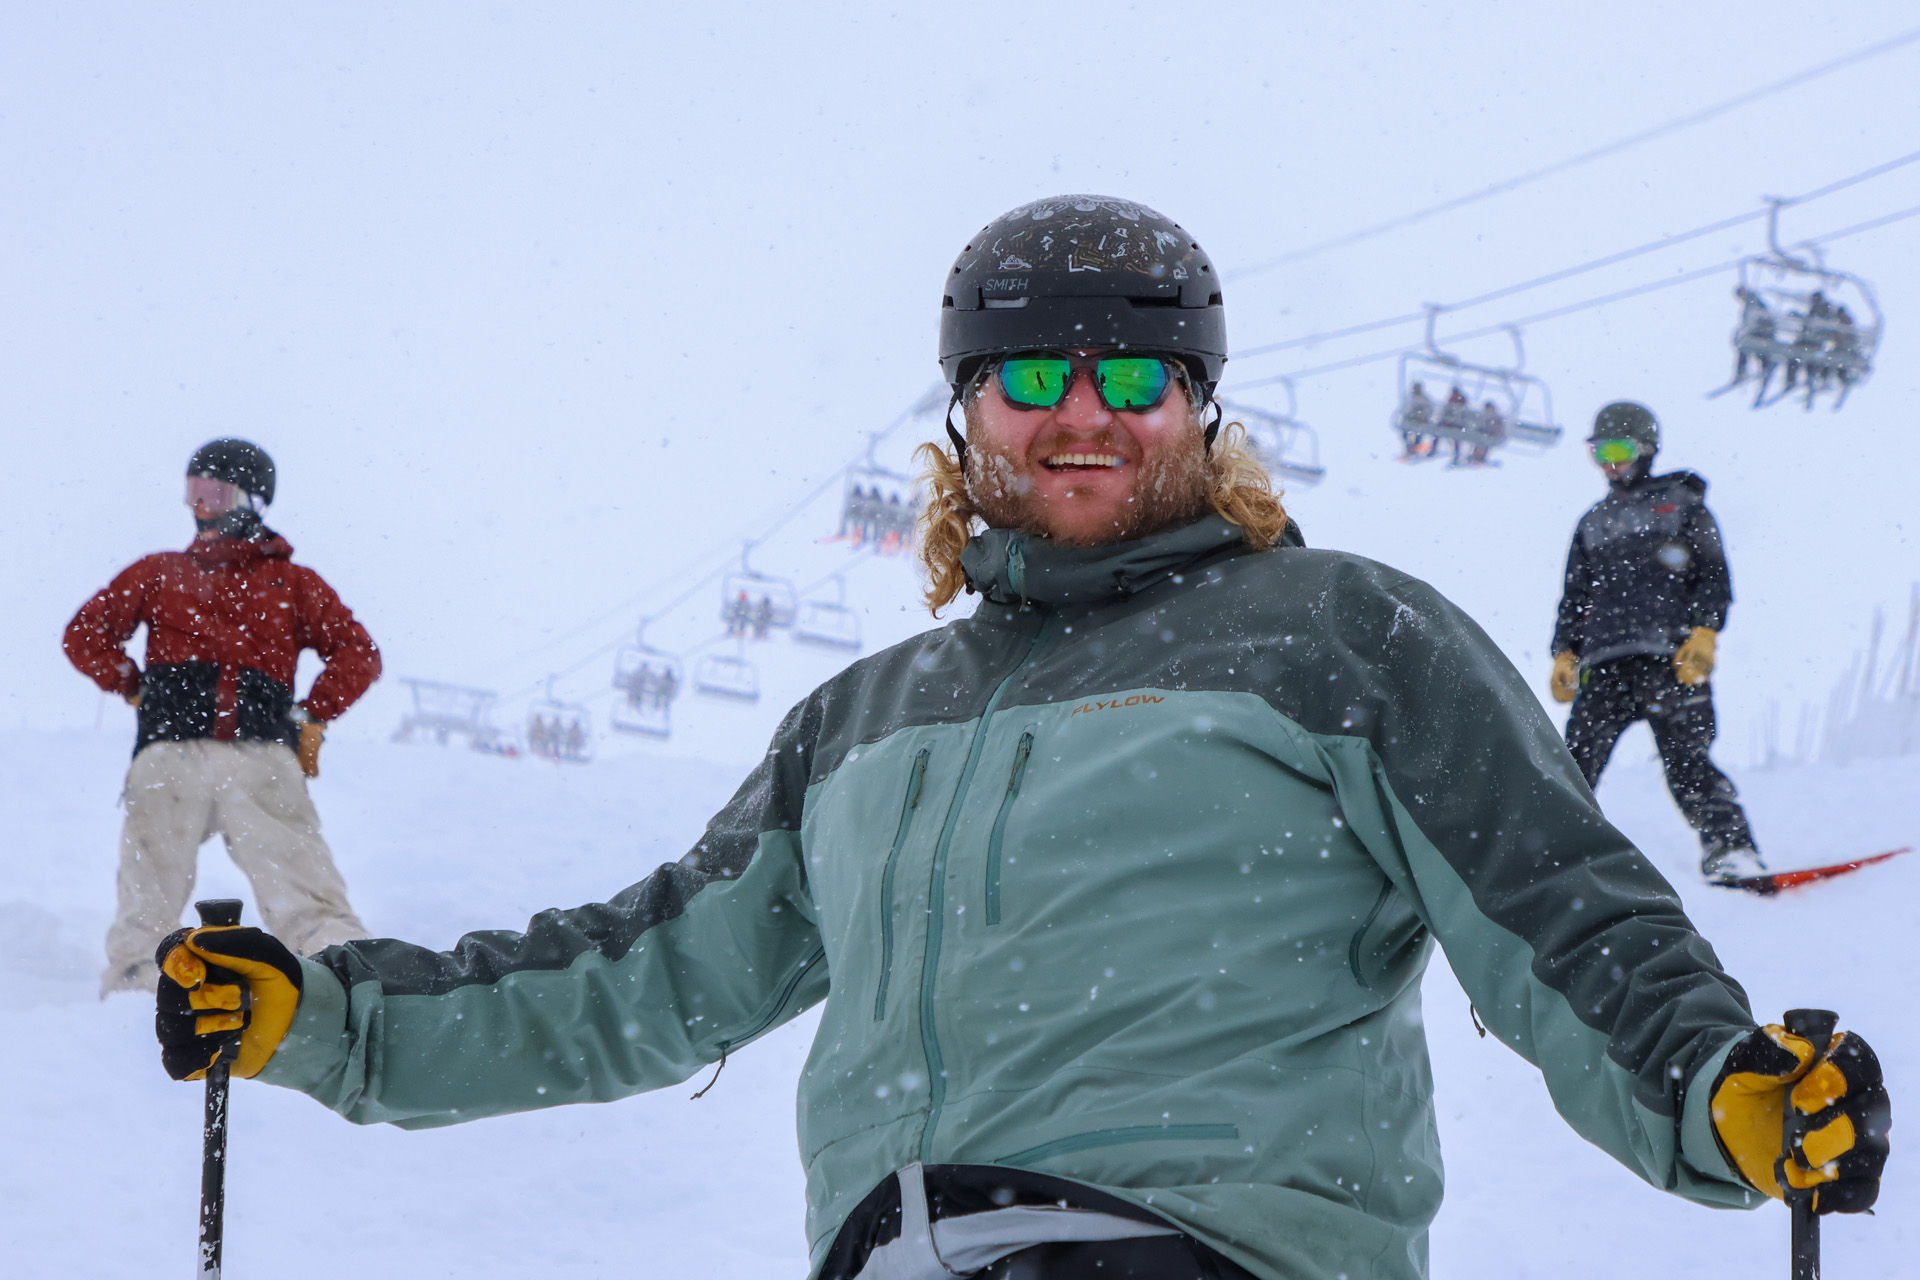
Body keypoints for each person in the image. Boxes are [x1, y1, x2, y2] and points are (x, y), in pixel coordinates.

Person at [148, 201, 1888, 1280]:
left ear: (1200, 408)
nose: (1083, 413)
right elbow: (639, 969)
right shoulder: (866, 721)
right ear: (967, 410)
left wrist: (1711, 1086)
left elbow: (1560, 908)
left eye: (1135, 379)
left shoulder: (1342, 636)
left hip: (1197, 1255)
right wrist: (332, 1019)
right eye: (1033, 375)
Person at [64, 439, 380, 995]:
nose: (200, 508)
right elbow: (359, 653)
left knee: (149, 892)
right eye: (193, 493)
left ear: (252, 501)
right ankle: (341, 976)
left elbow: (86, 634)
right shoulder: (288, 583)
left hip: (183, 756)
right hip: (247, 757)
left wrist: (134, 686)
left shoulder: (167, 573)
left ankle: (138, 978)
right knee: (303, 893)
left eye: (214, 494)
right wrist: (311, 715)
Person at [1549, 403, 1764, 885]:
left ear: (1646, 449)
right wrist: (1565, 652)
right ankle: (1548, 854)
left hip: (1670, 659)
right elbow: (1576, 597)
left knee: (1688, 762)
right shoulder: (1593, 522)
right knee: (1573, 764)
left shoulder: (1681, 505)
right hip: (1605, 663)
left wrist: (1705, 631)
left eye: (1618, 450)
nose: (1609, 463)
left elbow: (1712, 575)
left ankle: (1731, 850)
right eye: (1599, 452)